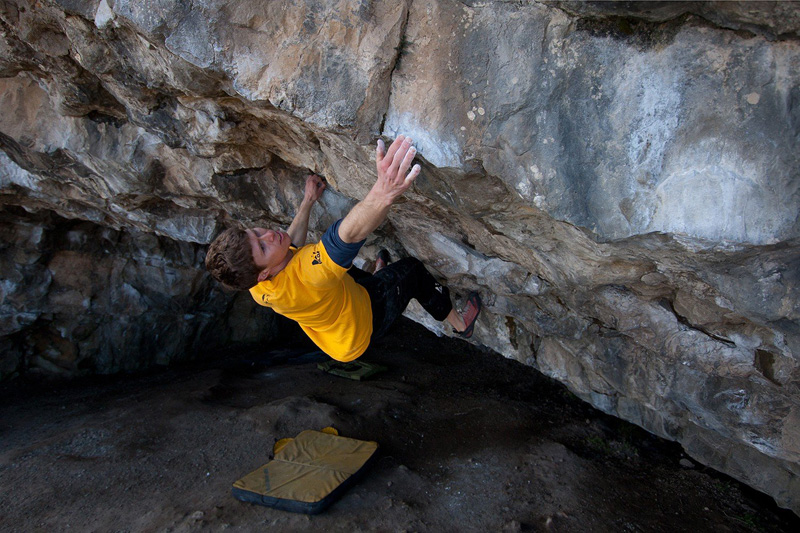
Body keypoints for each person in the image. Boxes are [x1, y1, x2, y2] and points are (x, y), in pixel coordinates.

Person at [205, 135, 482, 362]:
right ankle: (461, 325)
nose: (269, 235)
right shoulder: (308, 276)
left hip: (336, 312)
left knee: (343, 274)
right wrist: (384, 191)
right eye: (263, 247)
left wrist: (308, 201)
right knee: (413, 271)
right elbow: (348, 234)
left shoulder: (255, 284)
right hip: (361, 326)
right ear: (263, 273)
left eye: (256, 233)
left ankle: (374, 277)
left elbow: (288, 244)